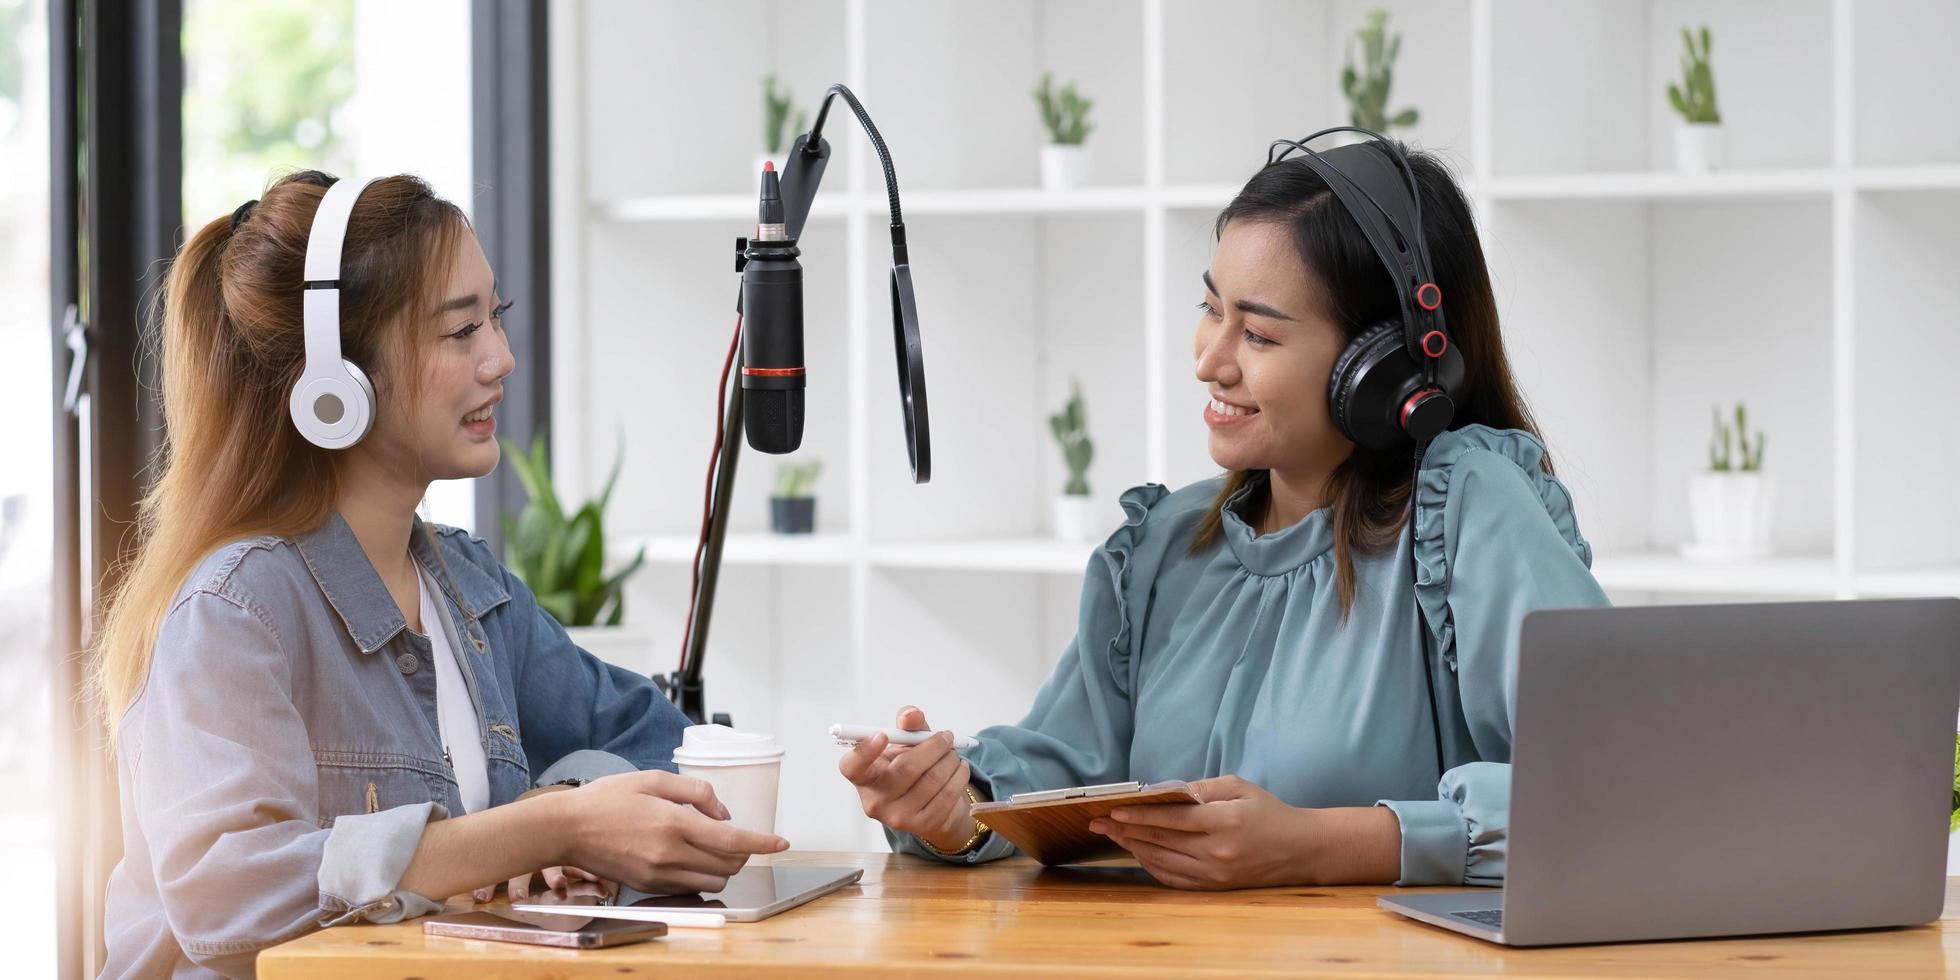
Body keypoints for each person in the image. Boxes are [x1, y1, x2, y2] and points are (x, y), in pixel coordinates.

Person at [841, 139, 1608, 890]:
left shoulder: (1469, 509)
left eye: (1260, 333)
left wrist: (1316, 846)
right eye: (1211, 309)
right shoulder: (1162, 547)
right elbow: (1065, 772)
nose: (1209, 360)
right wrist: (955, 807)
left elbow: (1604, 786)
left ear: (1380, 366)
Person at [94, 171, 787, 978]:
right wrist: (543, 833)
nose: (501, 358)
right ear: (336, 383)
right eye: (460, 332)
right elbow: (228, 893)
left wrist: (567, 803)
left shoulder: (466, 589)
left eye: (496, 317)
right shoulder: (236, 609)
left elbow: (659, 741)